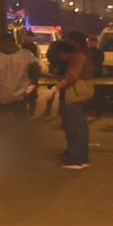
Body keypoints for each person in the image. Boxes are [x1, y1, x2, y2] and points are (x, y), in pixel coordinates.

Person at [48, 32, 95, 170]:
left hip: (76, 96)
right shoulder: (76, 56)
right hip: (73, 96)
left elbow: (72, 76)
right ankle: (74, 154)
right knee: (72, 127)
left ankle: (78, 160)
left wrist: (56, 88)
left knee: (76, 128)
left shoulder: (79, 57)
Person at [0, 32, 40, 119]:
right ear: (14, 42)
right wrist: (31, 86)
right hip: (20, 96)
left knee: (1, 125)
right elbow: (36, 70)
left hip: (0, 97)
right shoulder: (26, 54)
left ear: (0, 43)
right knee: (21, 124)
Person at [21, 31, 40, 116]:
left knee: (32, 90)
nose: (29, 38)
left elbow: (38, 60)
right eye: (27, 37)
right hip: (24, 71)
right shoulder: (21, 46)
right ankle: (25, 109)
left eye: (30, 37)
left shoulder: (35, 47)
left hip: (31, 72)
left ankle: (31, 110)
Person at [87, 35, 105, 117]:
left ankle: (97, 111)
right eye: (91, 41)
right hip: (90, 75)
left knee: (97, 94)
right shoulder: (86, 51)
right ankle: (91, 110)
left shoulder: (99, 51)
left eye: (93, 41)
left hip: (96, 75)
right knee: (88, 93)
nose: (92, 43)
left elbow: (100, 62)